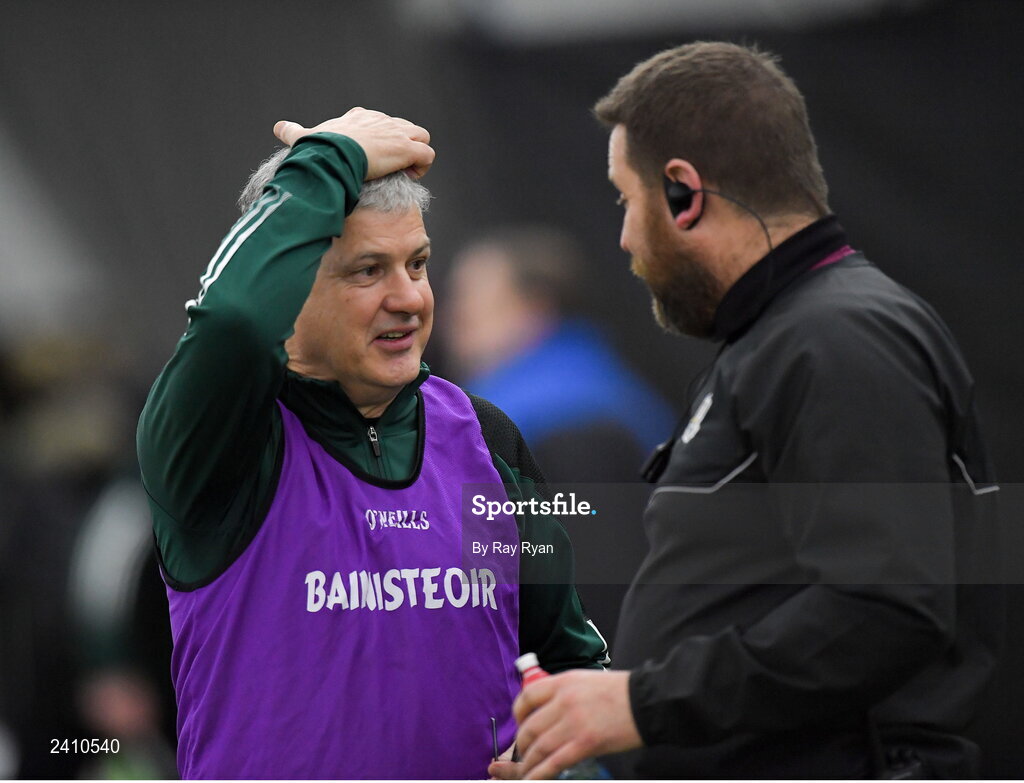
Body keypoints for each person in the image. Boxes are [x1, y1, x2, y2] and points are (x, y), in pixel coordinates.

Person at [500, 42, 1002, 780]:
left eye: (625, 199)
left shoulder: (835, 337)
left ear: (683, 193)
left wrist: (642, 702)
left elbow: (887, 607)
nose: (625, 237)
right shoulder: (786, 335)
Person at [136, 108, 607, 780]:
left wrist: (572, 768)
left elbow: (573, 666)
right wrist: (329, 160)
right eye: (368, 271)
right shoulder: (227, 442)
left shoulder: (485, 437)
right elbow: (232, 320)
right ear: (290, 288)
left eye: (418, 263)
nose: (409, 298)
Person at [444, 225, 674, 485]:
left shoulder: (566, 419)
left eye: (469, 303)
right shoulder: (602, 387)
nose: (452, 318)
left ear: (534, 309)